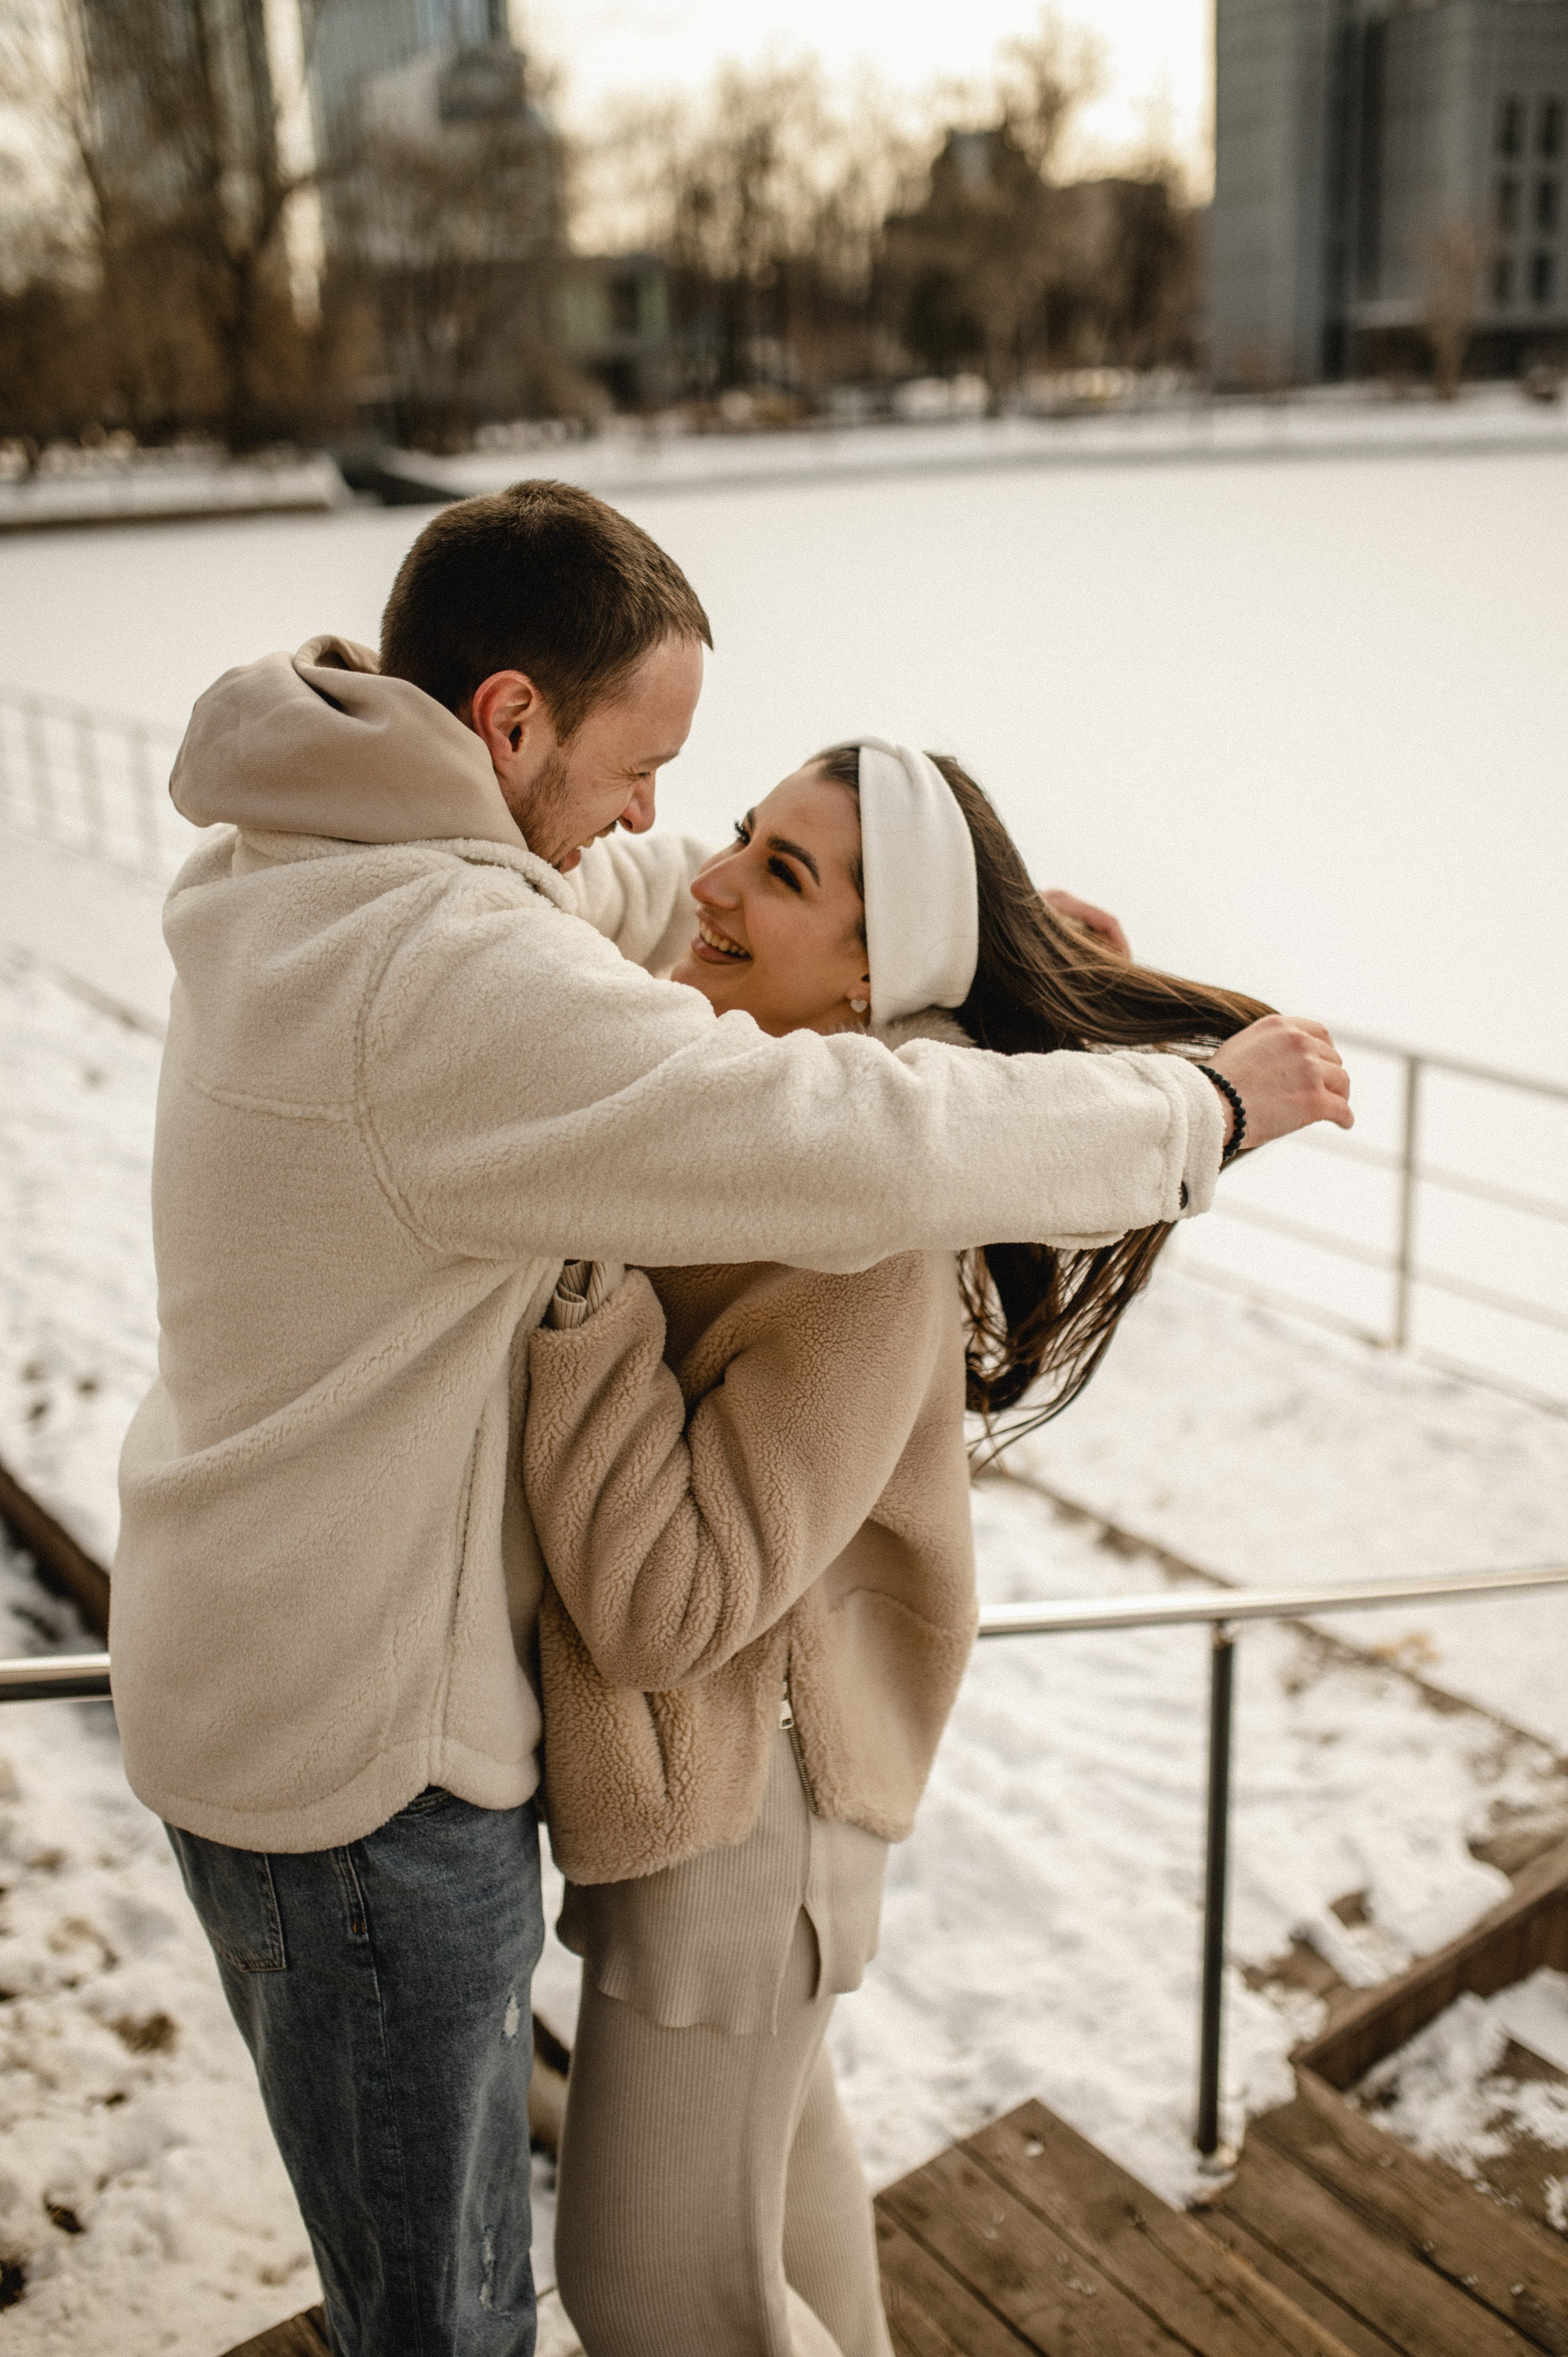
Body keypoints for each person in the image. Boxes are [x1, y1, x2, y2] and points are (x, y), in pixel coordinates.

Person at [112, 481, 1348, 2357]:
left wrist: (973, 944)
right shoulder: (443, 967)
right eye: (644, 771)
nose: (653, 831)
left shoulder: (320, 850)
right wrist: (1202, 1107)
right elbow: (835, 1133)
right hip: (354, 1756)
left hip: (330, 1691)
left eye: (746, 840)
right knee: (453, 2320)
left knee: (626, 2260)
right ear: (510, 723)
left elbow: (638, 915)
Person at [520, 739, 1351, 2357]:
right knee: (775, 2205)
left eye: (783, 873)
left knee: (651, 2294)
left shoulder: (858, 1240)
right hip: (739, 1804)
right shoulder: (785, 1121)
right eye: (746, 835)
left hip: (739, 1825)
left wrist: (576, 1272)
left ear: (872, 979)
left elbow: (669, 1604)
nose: (713, 881)